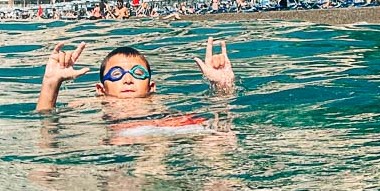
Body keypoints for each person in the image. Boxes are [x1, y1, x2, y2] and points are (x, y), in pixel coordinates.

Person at [36, 37, 237, 111]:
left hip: (162, 132)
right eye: (116, 73)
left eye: (138, 73)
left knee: (214, 139)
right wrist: (51, 84)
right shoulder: (90, 104)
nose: (128, 79)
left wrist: (223, 85)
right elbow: (45, 121)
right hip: (113, 144)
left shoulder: (166, 102)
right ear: (100, 89)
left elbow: (218, 107)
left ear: (152, 87)